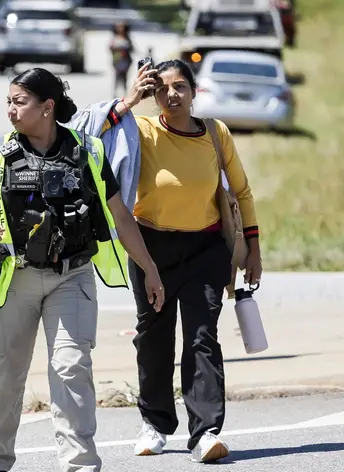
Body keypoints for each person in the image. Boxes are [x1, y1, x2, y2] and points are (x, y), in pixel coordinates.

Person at [0, 67, 165, 472]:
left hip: (72, 277)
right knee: (6, 377)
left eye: (19, 102)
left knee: (71, 367)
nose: (11, 111)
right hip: (13, 279)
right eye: (9, 102)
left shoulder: (88, 151)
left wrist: (150, 270)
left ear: (47, 107)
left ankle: (80, 465)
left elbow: (121, 218)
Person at [95, 59, 263, 463]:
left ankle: (206, 432)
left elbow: (241, 191)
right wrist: (131, 98)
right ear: (153, 96)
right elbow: (89, 139)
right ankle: (154, 424)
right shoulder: (140, 129)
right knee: (153, 336)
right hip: (150, 248)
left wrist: (253, 249)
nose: (171, 95)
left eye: (179, 87)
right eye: (162, 89)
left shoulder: (215, 133)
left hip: (206, 249)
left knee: (202, 336)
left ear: (193, 91)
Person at [108, 22, 134, 96]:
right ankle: (115, 93)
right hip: (117, 61)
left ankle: (125, 93)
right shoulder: (114, 38)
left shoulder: (127, 38)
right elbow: (110, 48)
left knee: (125, 78)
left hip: (126, 61)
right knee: (117, 77)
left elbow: (132, 49)